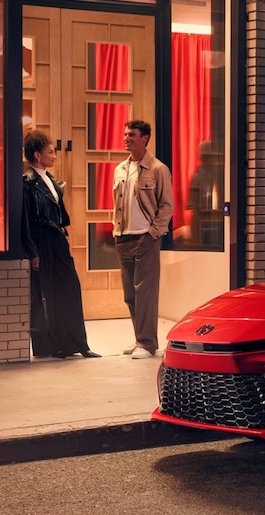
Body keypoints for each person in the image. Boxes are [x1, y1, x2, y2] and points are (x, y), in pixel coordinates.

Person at [21, 130, 100, 359]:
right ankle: (49, 346)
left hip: (56, 238)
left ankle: (77, 343)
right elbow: (25, 221)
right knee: (45, 293)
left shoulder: (52, 181)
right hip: (40, 240)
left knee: (69, 287)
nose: (54, 155)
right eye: (50, 151)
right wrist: (32, 252)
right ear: (37, 155)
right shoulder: (27, 183)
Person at [112, 119, 174, 359]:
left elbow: (167, 206)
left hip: (145, 238)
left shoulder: (158, 169)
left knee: (145, 293)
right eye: (125, 134)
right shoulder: (120, 169)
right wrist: (115, 228)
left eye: (132, 135)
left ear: (145, 138)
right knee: (130, 294)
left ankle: (148, 343)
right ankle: (140, 338)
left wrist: (153, 233)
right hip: (122, 237)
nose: (126, 138)